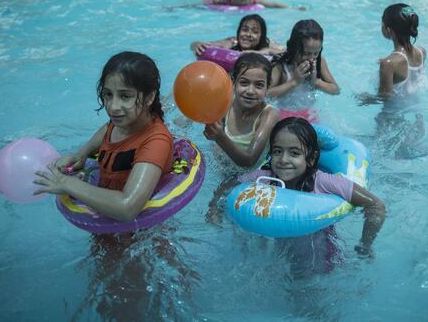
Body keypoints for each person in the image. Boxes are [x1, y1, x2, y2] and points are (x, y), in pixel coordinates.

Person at [34, 52, 173, 222]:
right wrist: (82, 154)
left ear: (150, 97)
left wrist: (68, 183)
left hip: (142, 236)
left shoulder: (156, 141)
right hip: (105, 225)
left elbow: (127, 208)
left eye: (125, 96)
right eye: (108, 94)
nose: (113, 107)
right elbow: (107, 129)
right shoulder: (120, 123)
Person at [238, 117, 385, 254]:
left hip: (321, 253)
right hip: (282, 249)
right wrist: (214, 210)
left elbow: (376, 205)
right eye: (277, 151)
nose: (283, 159)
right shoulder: (265, 177)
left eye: (294, 153)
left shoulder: (323, 182)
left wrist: (365, 245)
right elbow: (231, 184)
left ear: (312, 158)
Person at [203, 54, 280, 168]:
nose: (250, 91)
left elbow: (249, 161)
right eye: (244, 83)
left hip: (254, 174)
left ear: (267, 88)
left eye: (259, 85)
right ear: (233, 82)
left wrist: (219, 137)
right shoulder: (225, 105)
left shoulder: (269, 114)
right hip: (225, 166)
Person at [270, 19, 339, 98]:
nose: (311, 58)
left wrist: (316, 82)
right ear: (294, 48)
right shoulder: (281, 67)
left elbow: (336, 90)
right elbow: (265, 95)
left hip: (311, 110)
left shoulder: (320, 62)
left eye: (316, 53)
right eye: (306, 53)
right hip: (283, 110)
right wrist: (294, 82)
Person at [377, 3, 426, 98]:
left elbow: (384, 98)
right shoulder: (422, 52)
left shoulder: (388, 64)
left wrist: (364, 98)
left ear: (388, 30)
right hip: (416, 108)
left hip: (394, 112)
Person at [191, 14, 283, 57]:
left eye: (255, 32)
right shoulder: (232, 42)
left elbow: (285, 53)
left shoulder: (268, 47)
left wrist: (261, 52)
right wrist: (196, 44)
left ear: (261, 37)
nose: (248, 34)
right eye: (244, 29)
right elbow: (201, 45)